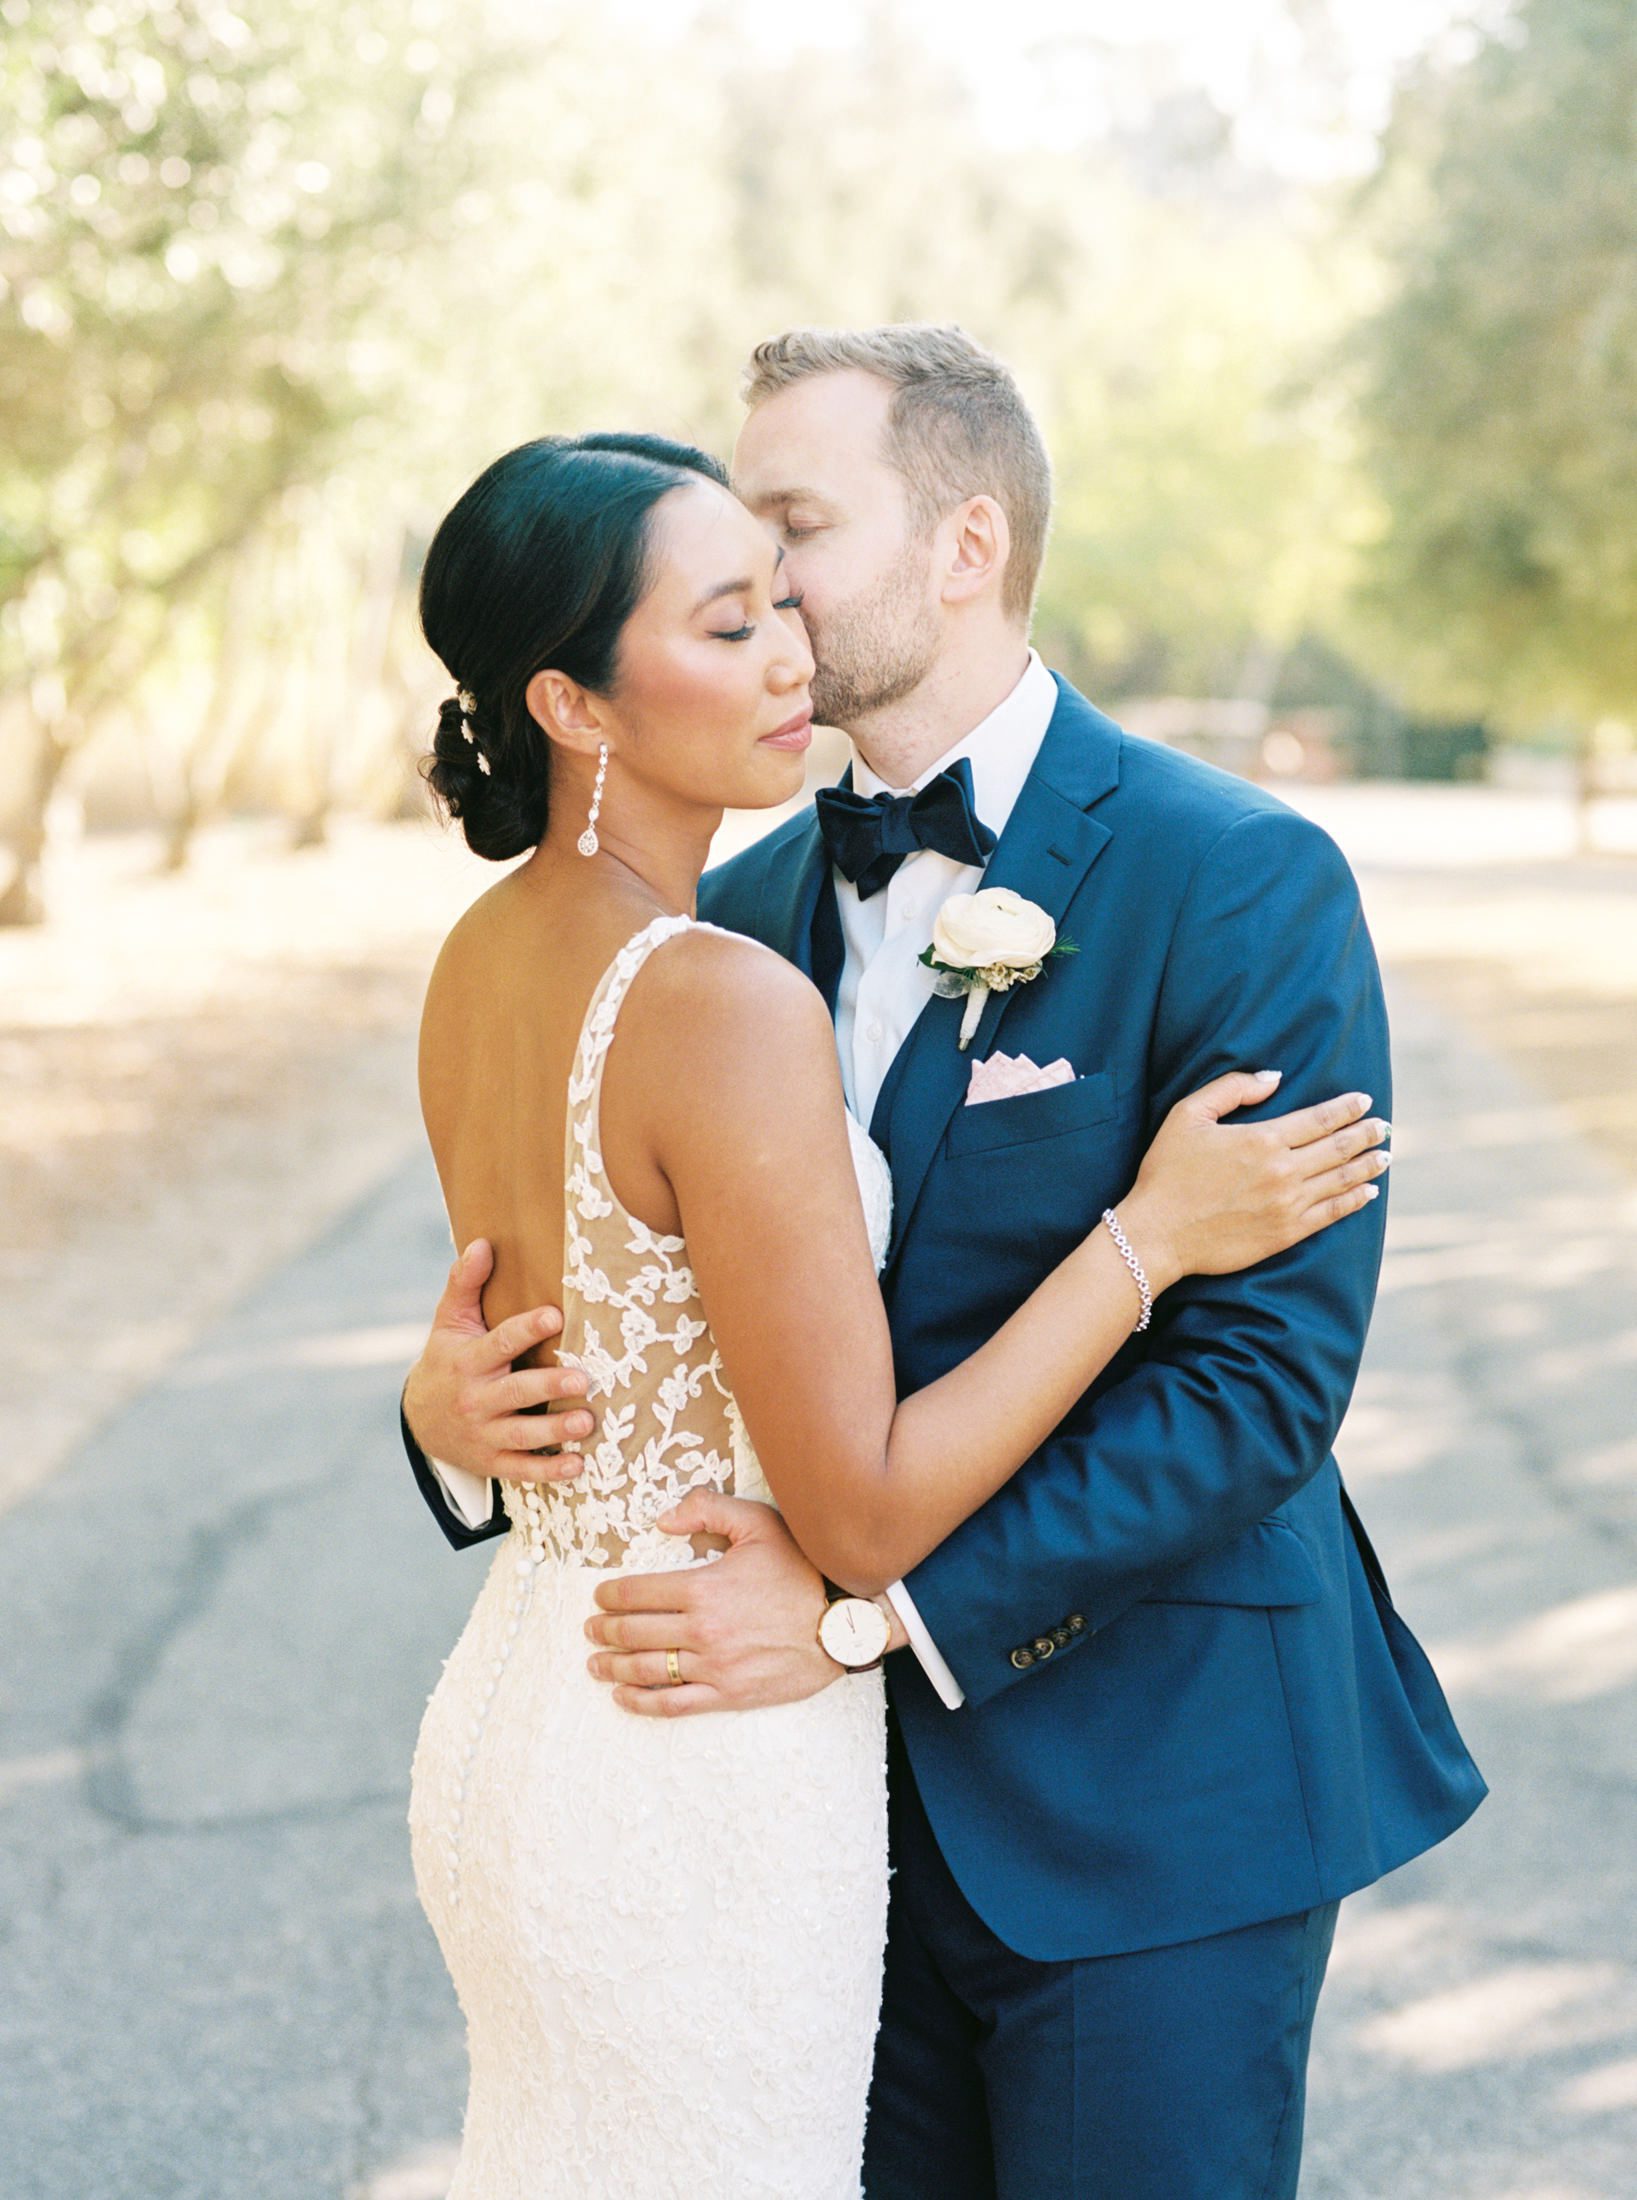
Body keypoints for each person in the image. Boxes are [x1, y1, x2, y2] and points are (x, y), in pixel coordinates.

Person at [402, 329, 1486, 2200]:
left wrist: (861, 1616)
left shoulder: (1235, 874)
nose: (769, 590)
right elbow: (649, 1309)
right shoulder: (722, 919)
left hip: (1147, 1804)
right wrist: (446, 1418)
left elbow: (1257, 1392)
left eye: (795, 528)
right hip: (798, 1834)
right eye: (731, 556)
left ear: (964, 544)